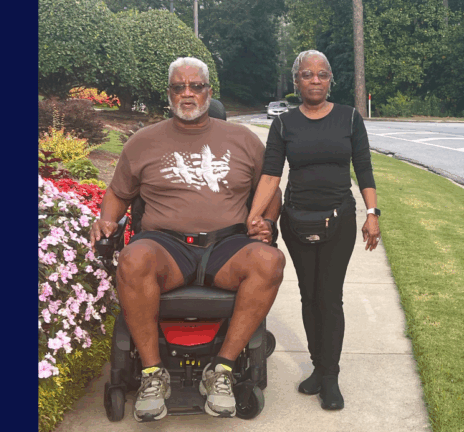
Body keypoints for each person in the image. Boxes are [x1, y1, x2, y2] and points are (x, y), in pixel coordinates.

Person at [89, 57, 286, 422]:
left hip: (227, 245)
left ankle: (222, 371)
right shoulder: (143, 141)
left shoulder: (243, 140)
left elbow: (270, 189)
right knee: (132, 259)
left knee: (270, 261)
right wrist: (106, 220)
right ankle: (152, 375)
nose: (187, 93)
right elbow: (118, 193)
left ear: (209, 93)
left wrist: (267, 221)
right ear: (169, 93)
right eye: (179, 87)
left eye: (195, 86)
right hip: (166, 245)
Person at [246, 50, 381, 411]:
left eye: (322, 74)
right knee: (308, 296)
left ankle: (330, 377)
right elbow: (271, 174)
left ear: (330, 79)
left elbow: (363, 168)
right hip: (297, 220)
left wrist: (372, 212)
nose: (315, 80)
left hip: (339, 220)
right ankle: (318, 368)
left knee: (329, 297)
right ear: (297, 82)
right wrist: (255, 216)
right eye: (308, 75)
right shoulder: (284, 124)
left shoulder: (349, 118)